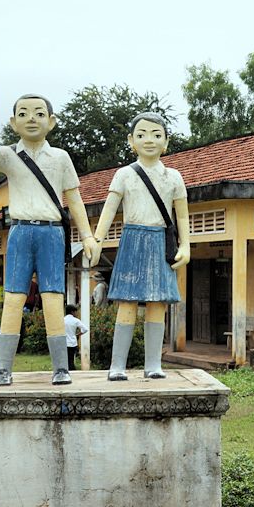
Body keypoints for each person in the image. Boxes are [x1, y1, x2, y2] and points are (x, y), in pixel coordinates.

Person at [0, 83, 97, 386]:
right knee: (13, 299)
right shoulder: (10, 155)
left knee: (53, 299)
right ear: (13, 122)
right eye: (23, 114)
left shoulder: (61, 158)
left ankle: (61, 368)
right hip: (20, 232)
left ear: (51, 121)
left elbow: (75, 199)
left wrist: (89, 236)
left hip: (52, 234)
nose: (31, 118)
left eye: (39, 113)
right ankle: (3, 369)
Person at [90, 112, 190, 380]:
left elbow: (182, 216)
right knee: (127, 303)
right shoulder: (124, 174)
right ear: (131, 141)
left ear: (166, 142)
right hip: (132, 240)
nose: (149, 140)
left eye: (157, 135)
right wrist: (96, 242)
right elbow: (109, 210)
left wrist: (187, 245)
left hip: (161, 241)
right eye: (142, 134)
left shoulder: (174, 177)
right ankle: (117, 366)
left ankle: (154, 365)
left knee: (158, 304)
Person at [63, 304, 88, 371]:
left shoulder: (62, 320)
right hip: (72, 342)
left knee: (65, 359)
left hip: (64, 342)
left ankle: (66, 370)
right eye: (75, 312)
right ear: (72, 312)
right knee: (71, 359)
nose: (76, 313)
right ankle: (72, 370)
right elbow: (85, 329)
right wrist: (78, 334)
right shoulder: (75, 320)